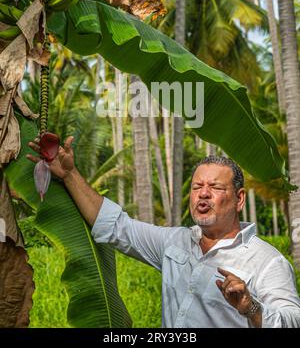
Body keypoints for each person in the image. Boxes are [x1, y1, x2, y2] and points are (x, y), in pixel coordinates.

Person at [27, 136, 300, 328]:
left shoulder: (268, 261)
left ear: (239, 199)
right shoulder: (176, 242)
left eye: (215, 188)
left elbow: (292, 320)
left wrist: (250, 308)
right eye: (196, 187)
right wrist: (70, 174)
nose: (203, 194)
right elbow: (116, 226)